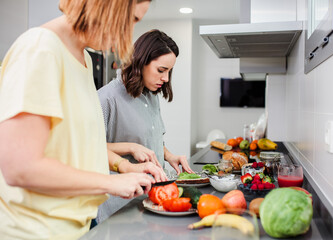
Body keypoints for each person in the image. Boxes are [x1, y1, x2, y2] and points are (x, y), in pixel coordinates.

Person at [0, 0, 153, 239]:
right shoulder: (40, 49)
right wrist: (109, 183)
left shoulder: (84, 59)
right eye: (131, 20)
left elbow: (76, 144)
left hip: (79, 225)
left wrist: (125, 167)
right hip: (36, 231)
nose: (129, 34)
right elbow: (20, 167)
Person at [96, 29, 195, 222]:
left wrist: (169, 155)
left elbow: (152, 137)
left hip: (150, 202)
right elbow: (90, 148)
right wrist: (131, 148)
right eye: (161, 70)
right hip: (119, 209)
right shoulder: (106, 99)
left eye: (169, 71)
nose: (166, 78)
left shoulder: (151, 95)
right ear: (141, 62)